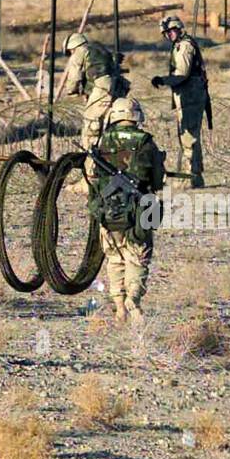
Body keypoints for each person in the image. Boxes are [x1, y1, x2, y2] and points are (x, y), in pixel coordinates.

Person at [86, 98, 166, 325]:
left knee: (114, 258)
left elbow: (94, 177)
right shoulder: (146, 142)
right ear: (136, 115)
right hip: (140, 209)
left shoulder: (103, 142)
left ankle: (119, 306)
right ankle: (134, 299)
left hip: (108, 210)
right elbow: (157, 182)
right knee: (138, 257)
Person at [150, 16, 207, 188]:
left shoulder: (184, 47)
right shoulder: (180, 45)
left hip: (190, 95)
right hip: (188, 95)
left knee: (189, 136)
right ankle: (194, 175)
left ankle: (192, 176)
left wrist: (164, 80)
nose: (169, 35)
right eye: (167, 33)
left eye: (171, 31)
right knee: (188, 136)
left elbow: (182, 74)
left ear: (178, 29)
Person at [62, 31, 119, 170]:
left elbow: (74, 76)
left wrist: (71, 90)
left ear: (71, 48)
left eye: (69, 52)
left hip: (101, 90)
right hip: (115, 90)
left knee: (91, 130)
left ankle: (91, 171)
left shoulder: (79, 52)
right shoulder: (99, 49)